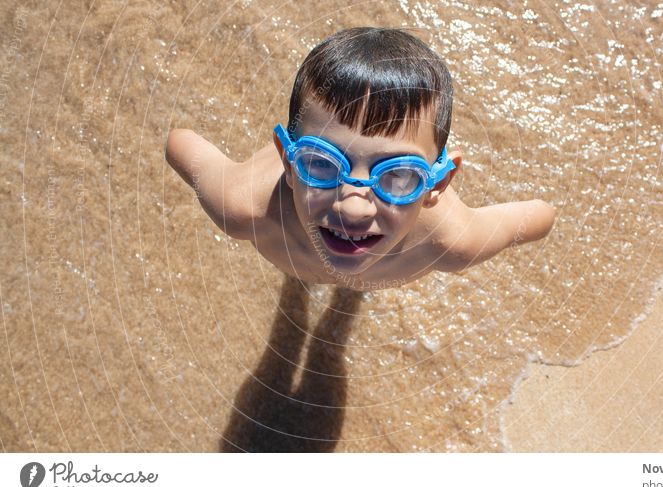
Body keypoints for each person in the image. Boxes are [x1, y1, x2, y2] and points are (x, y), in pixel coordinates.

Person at [166, 27, 554, 291]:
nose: (352, 208)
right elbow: (180, 143)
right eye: (321, 163)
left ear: (438, 184)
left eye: (399, 175)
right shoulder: (243, 207)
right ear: (286, 161)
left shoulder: (452, 240)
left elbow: (540, 215)